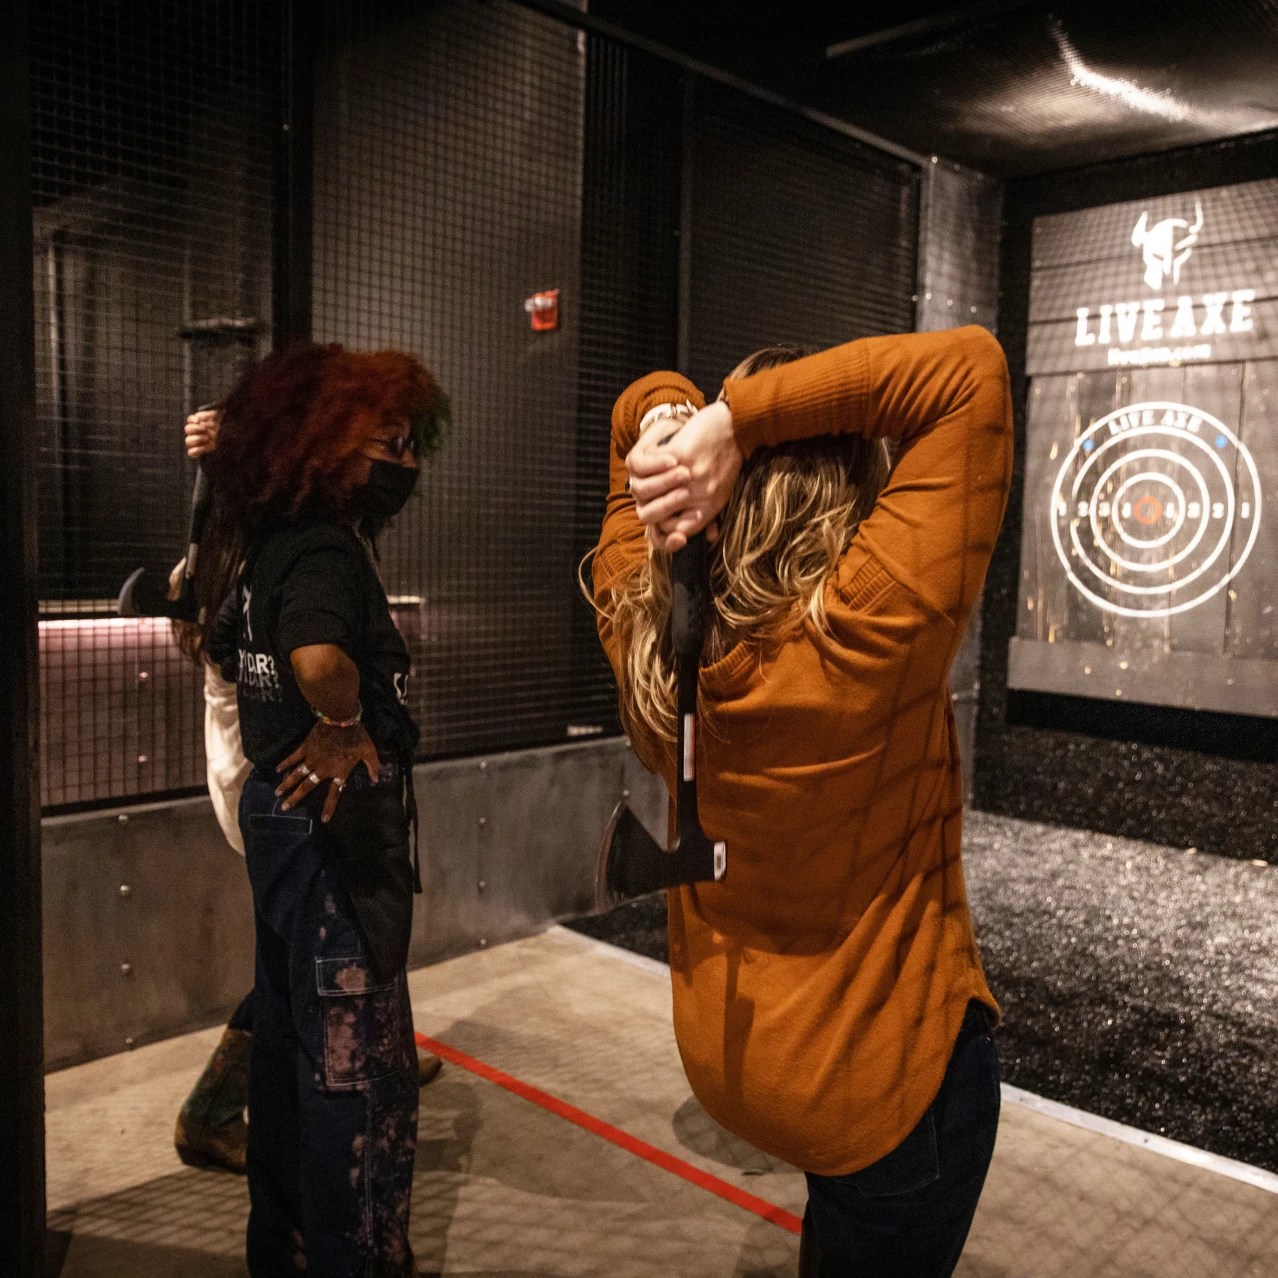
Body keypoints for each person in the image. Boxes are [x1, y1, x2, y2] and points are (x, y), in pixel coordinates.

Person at [590, 326, 1012, 1277]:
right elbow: (968, 373)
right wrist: (742, 421)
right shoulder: (873, 630)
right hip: (882, 1093)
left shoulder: (652, 639)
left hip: (740, 1071)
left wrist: (681, 419)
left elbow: (632, 415)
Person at [201, 342, 449, 1275]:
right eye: (388, 440)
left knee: (288, 1043)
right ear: (323, 441)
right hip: (330, 831)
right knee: (350, 1069)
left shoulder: (268, 543)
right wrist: (341, 722)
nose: (404, 463)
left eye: (409, 442)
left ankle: (287, 1248)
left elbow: (224, 642)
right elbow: (315, 657)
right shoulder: (323, 551)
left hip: (279, 818)